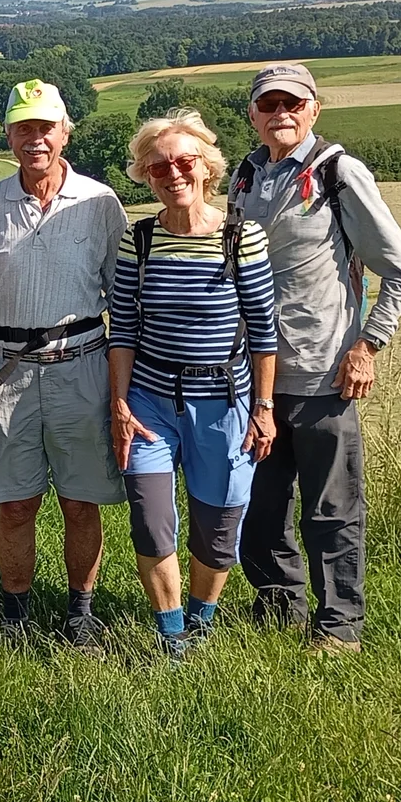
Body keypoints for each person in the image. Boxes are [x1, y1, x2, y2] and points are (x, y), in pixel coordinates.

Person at [229, 63, 401, 653]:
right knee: (260, 511)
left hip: (322, 375)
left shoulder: (339, 173)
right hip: (253, 380)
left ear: (315, 109)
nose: (280, 113)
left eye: (293, 103)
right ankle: (279, 607)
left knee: (330, 511)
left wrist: (367, 345)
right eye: (269, 105)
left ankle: (339, 626)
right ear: (253, 115)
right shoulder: (245, 176)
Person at [0, 79, 130, 647]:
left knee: (80, 502)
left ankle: (80, 614)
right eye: (23, 128)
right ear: (8, 136)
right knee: (15, 502)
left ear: (64, 132)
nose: (35, 140)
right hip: (6, 372)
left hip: (82, 366)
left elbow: (121, 298)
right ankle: (15, 617)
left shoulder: (101, 203)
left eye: (45, 128)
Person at [108, 110, 279, 658]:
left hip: (225, 404)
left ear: (207, 168)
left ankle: (203, 621)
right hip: (150, 405)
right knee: (151, 518)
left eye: (185, 162)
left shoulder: (241, 237)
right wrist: (118, 403)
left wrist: (264, 407)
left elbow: (264, 330)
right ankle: (172, 633)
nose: (173, 173)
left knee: (218, 523)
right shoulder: (137, 241)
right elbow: (125, 329)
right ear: (144, 174)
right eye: (159, 166)